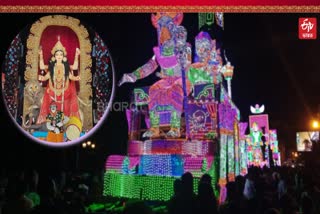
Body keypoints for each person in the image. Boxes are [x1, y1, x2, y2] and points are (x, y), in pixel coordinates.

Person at [36, 36, 81, 130]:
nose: (59, 56)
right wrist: (40, 55)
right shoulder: (52, 67)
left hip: (66, 92)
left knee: (66, 110)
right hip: (53, 92)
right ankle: (52, 126)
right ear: (54, 56)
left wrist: (77, 55)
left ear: (63, 56)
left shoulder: (66, 67)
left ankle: (65, 126)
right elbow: (44, 71)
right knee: (52, 108)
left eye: (61, 54)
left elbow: (73, 71)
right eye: (57, 55)